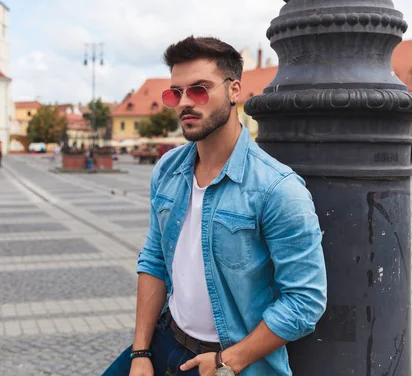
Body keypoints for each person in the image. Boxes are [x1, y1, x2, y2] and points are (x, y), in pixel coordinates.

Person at [104, 36, 327, 376]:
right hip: (165, 340)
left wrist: (227, 361)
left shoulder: (276, 188)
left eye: (199, 90)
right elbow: (154, 260)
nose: (184, 103)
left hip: (229, 362)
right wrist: (140, 351)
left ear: (234, 90)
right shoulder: (167, 169)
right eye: (175, 93)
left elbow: (305, 301)